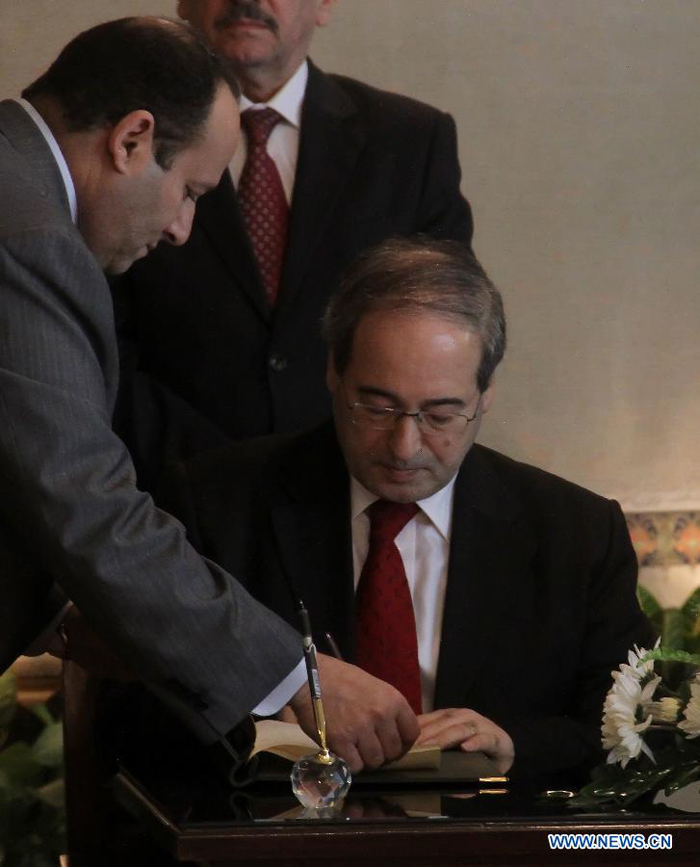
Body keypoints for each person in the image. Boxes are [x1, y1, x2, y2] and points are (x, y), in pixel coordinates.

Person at [0, 16, 418, 773]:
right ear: (131, 139)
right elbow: (86, 504)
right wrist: (301, 677)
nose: (184, 229)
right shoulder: (28, 236)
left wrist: (74, 603)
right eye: (190, 190)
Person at [161, 237, 654, 776]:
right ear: (333, 373)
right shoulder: (219, 502)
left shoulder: (577, 535)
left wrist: (514, 747)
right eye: (376, 407)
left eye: (440, 416)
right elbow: (155, 709)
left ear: (485, 395)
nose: (404, 447)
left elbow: (630, 737)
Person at [113, 0, 474, 488]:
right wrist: (212, 472)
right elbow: (98, 337)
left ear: (324, 4)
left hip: (348, 493)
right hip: (164, 489)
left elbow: (446, 329)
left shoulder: (410, 141)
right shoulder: (127, 135)